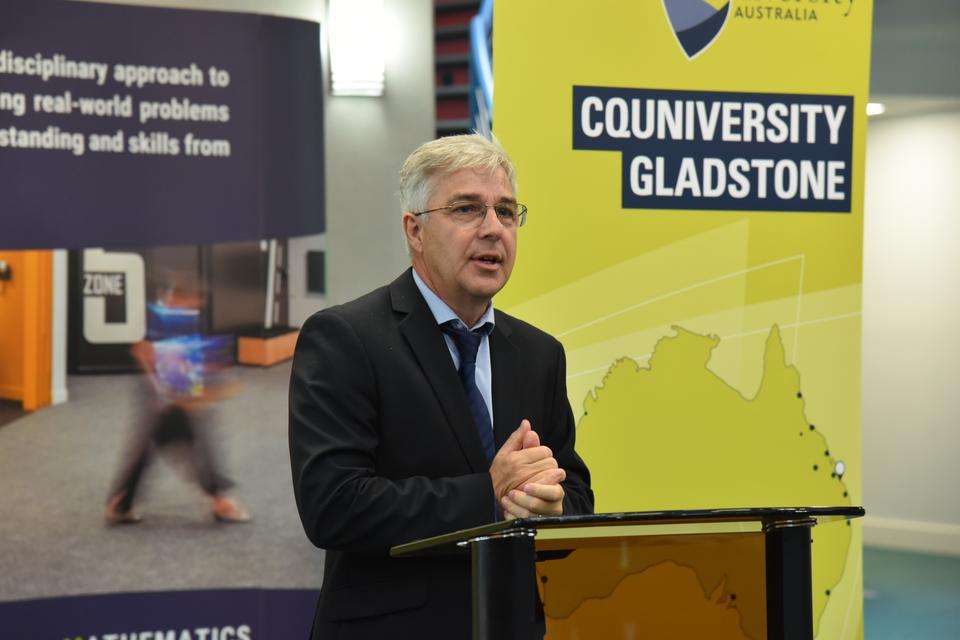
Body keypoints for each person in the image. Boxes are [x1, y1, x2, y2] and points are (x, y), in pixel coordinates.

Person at [288, 134, 593, 639]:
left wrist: (553, 507)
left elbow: (577, 495)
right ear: (415, 230)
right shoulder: (346, 338)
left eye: (506, 211)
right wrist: (488, 496)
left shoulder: (540, 354)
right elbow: (333, 506)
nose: (493, 229)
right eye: (467, 209)